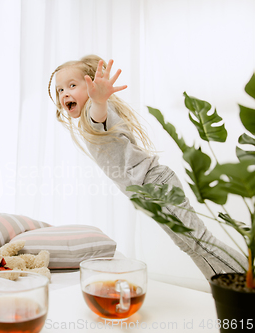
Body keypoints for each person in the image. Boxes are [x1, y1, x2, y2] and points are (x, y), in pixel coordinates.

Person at [48, 54, 247, 279]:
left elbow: (98, 113)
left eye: (72, 85)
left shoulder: (93, 113)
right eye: (60, 90)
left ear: (92, 85)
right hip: (150, 192)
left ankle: (248, 286)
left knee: (202, 242)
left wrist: (99, 100)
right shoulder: (88, 118)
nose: (64, 93)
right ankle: (225, 291)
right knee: (190, 246)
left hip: (155, 184)